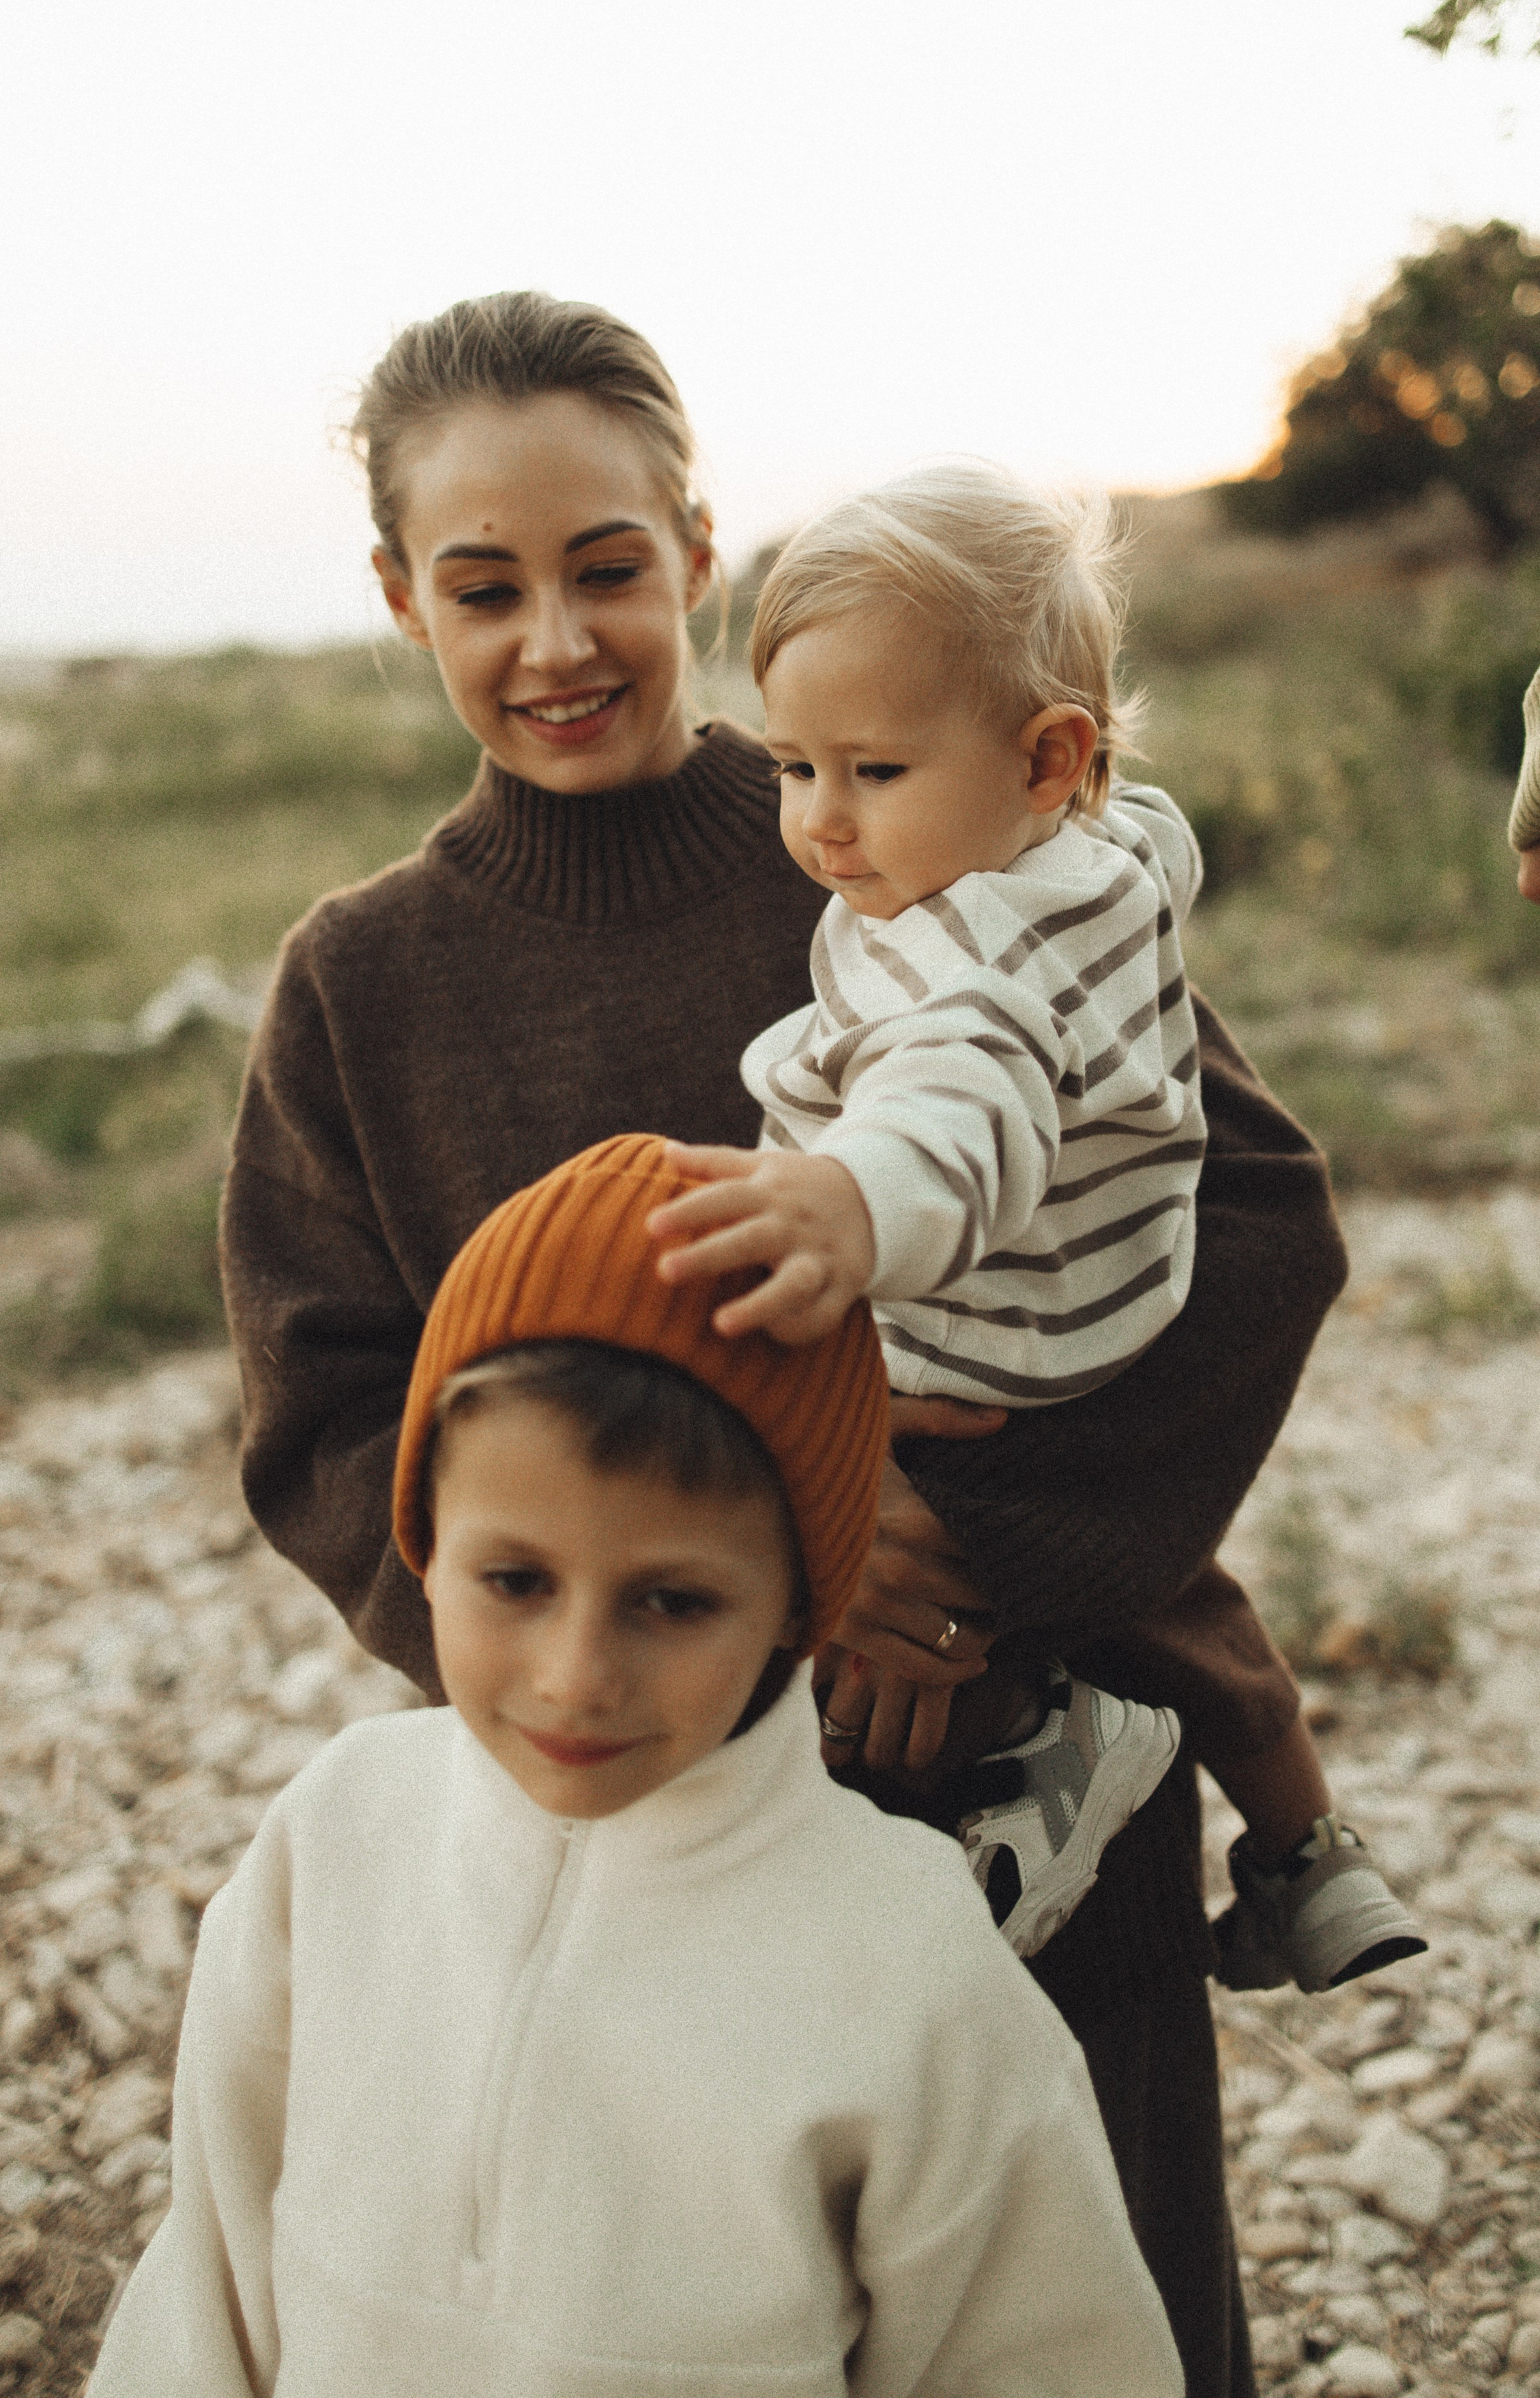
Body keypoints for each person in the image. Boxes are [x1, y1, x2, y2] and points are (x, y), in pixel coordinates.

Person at [219, 288, 1352, 2397]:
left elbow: (1253, 1212)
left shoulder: (919, 830)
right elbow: (322, 1419)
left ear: (697, 552)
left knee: (1092, 2322)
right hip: (630, 1808)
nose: (554, 637)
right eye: (485, 587)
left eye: (607, 568)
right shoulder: (358, 987)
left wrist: (963, 1561)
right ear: (403, 600)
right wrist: (680, 1638)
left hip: (1027, 1778)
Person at [93, 1137, 1184, 2395]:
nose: (574, 1676)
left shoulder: (907, 1960)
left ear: (800, 1601)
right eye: (515, 1581)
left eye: (670, 1602)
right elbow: (211, 2280)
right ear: (425, 1538)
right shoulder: (336, 1838)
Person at [646, 461, 1424, 1991]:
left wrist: (851, 1201)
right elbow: (1145, 861)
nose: (815, 823)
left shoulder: (969, 955)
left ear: (1042, 756)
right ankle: (1303, 1853)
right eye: (792, 767)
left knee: (853, 1594)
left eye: (867, 771)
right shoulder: (1105, 852)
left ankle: (1046, 1748)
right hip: (1105, 1303)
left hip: (972, 1329)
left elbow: (961, 1106)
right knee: (1179, 1593)